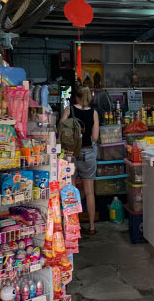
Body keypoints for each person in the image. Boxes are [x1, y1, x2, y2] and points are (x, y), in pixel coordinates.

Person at [60, 86, 99, 235]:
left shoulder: (69, 110)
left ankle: (73, 227)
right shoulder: (94, 113)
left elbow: (61, 128)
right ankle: (91, 227)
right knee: (89, 192)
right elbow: (95, 137)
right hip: (88, 153)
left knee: (71, 191)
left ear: (76, 97)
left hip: (71, 154)